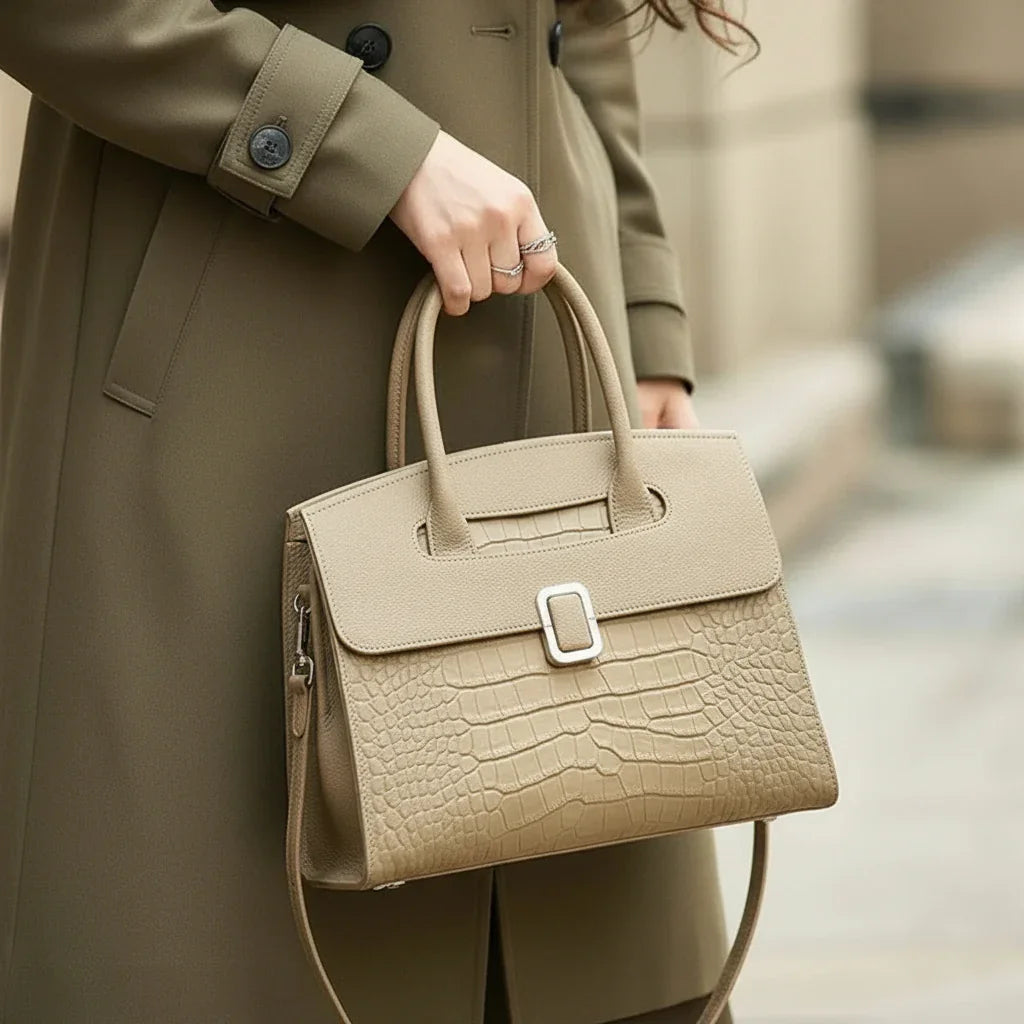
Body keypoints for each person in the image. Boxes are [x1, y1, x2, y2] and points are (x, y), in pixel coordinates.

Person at [0, 1, 754, 1021]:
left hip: (542, 330)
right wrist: (366, 146)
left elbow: (584, 26)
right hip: (232, 376)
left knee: (586, 925)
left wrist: (646, 320)